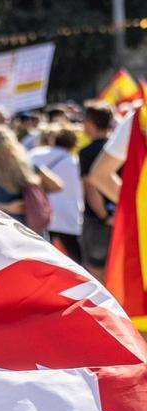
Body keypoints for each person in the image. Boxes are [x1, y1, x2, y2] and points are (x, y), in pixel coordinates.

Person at [0, 126, 62, 230]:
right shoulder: (28, 166)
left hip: (7, 229)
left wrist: (8, 207)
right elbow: (57, 186)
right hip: (31, 228)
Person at [28, 127, 84, 263]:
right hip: (69, 214)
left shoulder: (35, 154)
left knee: (46, 258)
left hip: (40, 212)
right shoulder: (75, 161)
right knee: (76, 259)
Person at [78, 103, 117, 280]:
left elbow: (90, 187)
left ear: (90, 122)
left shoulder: (87, 152)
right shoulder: (119, 149)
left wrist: (104, 216)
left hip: (98, 220)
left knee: (97, 273)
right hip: (121, 216)